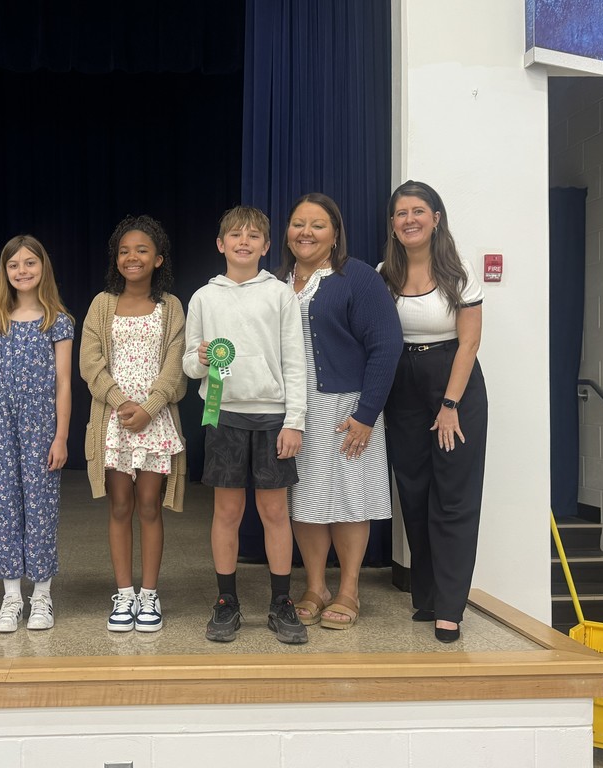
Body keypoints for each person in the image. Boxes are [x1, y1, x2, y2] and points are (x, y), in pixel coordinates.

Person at [275, 193, 402, 631]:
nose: (305, 232)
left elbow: (386, 347)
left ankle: (348, 588)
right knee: (305, 502)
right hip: (296, 411)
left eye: (317, 225)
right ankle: (315, 586)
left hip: (348, 407)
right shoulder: (275, 282)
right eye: (297, 223)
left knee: (349, 501)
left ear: (334, 234)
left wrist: (367, 414)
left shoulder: (358, 278)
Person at [182, 205, 308, 645]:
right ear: (221, 244)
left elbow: (295, 362)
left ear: (266, 246)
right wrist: (198, 362)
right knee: (227, 512)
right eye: (235, 235)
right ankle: (226, 601)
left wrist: (295, 421)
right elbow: (188, 365)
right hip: (223, 414)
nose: (243, 242)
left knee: (275, 512)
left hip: (273, 417)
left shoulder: (280, 295)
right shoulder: (204, 297)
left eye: (253, 236)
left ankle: (280, 601)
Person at [379, 180, 488, 644]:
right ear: (393, 224)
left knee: (453, 499)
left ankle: (450, 609)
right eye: (401, 213)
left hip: (453, 384)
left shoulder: (460, 271)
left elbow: (469, 341)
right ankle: (426, 597)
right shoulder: (383, 273)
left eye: (418, 211)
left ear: (436, 218)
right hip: (401, 385)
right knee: (415, 494)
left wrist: (450, 405)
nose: (410, 220)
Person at [80, 215, 187, 633]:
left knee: (149, 508)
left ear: (158, 258)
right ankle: (123, 594)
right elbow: (90, 362)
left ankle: (149, 596)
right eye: (124, 250)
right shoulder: (102, 304)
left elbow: (174, 365)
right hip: (114, 422)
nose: (132, 257)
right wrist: (122, 402)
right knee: (120, 506)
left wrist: (151, 406)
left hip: (155, 422)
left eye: (142, 250)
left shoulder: (171, 307)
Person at [0, 235, 73, 633]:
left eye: (30, 263)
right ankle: (11, 596)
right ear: (5, 272)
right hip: (1, 425)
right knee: (3, 508)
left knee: (40, 507)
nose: (22, 271)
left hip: (41, 427)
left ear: (42, 267)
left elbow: (64, 383)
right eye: (14, 265)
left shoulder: (58, 321)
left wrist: (61, 436)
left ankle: (42, 596)